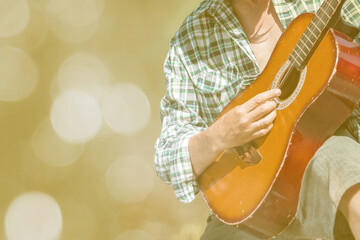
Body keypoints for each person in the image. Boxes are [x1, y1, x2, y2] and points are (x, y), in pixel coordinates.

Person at [154, 0, 360, 239]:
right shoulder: (190, 39)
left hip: (329, 168)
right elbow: (167, 158)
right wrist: (220, 135)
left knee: (338, 159)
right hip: (253, 206)